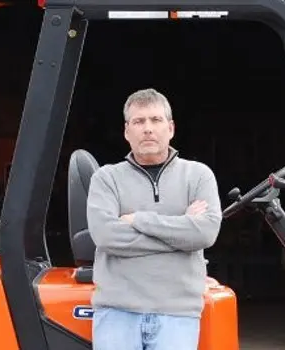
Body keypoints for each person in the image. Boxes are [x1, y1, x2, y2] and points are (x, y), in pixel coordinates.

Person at [85, 88, 223, 350]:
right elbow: (106, 236)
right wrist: (181, 232)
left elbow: (204, 234)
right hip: (117, 311)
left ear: (170, 128)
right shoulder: (106, 178)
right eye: (139, 121)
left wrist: (138, 219)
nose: (147, 128)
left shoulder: (198, 176)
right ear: (127, 131)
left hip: (178, 313)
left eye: (155, 120)